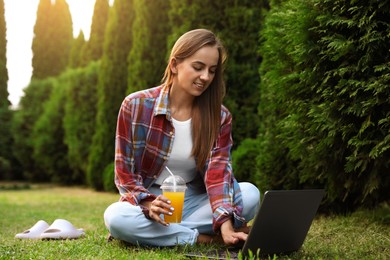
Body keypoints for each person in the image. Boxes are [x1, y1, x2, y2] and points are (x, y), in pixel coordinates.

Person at [104, 28, 260, 247]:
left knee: (250, 193)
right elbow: (125, 176)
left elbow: (219, 174)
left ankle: (155, 235)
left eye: (212, 70)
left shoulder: (219, 116)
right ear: (175, 64)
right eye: (198, 67)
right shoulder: (136, 106)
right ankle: (203, 239)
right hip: (153, 202)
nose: (205, 77)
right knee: (116, 217)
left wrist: (224, 223)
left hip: (195, 201)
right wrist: (149, 204)